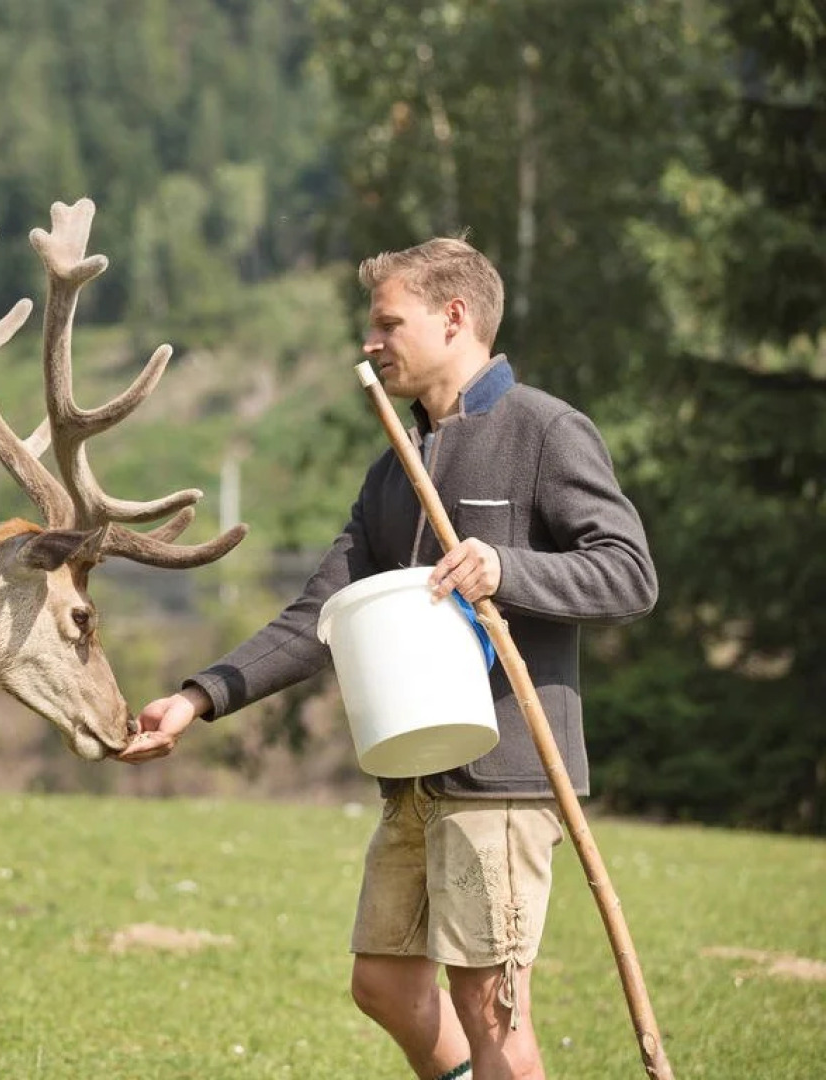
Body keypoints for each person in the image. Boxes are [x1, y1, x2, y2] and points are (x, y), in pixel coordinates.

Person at [118, 237, 657, 1080]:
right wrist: (199, 697)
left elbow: (629, 573)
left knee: (492, 1008)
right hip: (412, 775)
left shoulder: (546, 431)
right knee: (385, 983)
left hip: (505, 778)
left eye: (387, 322)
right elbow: (315, 618)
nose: (370, 341)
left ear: (455, 318)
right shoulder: (393, 468)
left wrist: (507, 567)